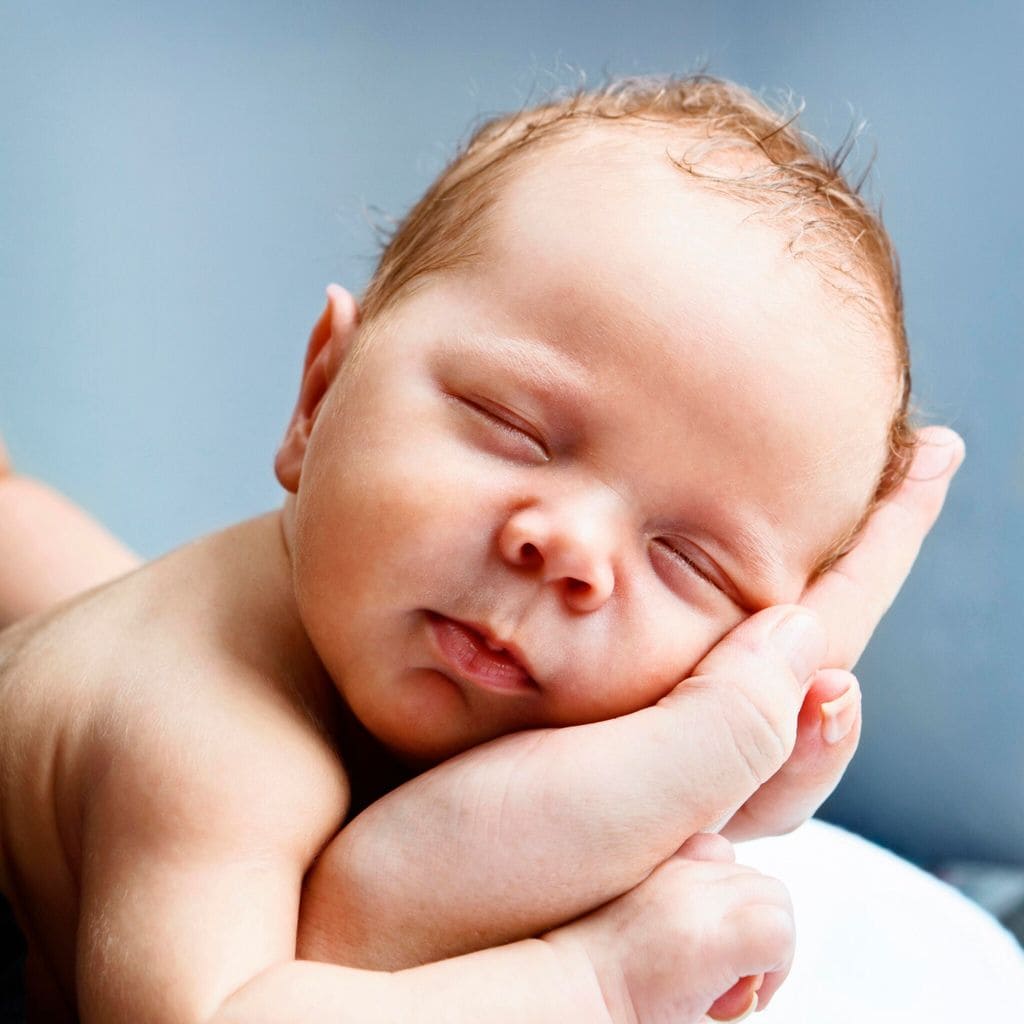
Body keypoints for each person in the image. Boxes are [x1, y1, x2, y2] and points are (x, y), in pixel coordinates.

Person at [0, 76, 963, 1024]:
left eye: (690, 561)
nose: (570, 547)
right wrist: (590, 982)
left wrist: (689, 778)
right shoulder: (212, 739)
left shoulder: (439, 677)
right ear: (319, 396)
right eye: (513, 426)